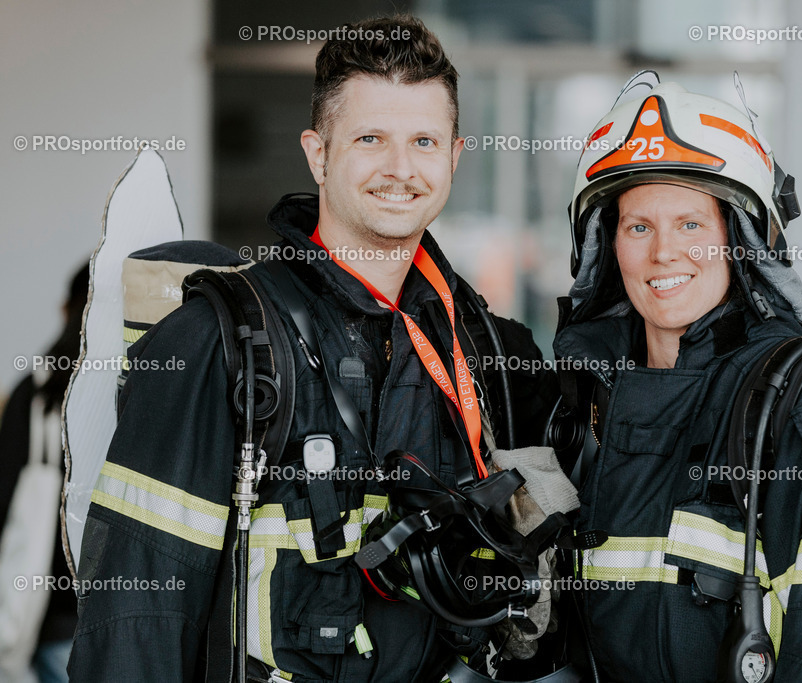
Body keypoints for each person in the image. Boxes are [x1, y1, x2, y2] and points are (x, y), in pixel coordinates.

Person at [68, 15, 558, 682]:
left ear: (454, 155)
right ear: (318, 152)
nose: (400, 168)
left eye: (423, 140)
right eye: (370, 138)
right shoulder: (218, 344)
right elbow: (136, 625)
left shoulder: (485, 354)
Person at [552, 74, 802, 681]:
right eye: (638, 227)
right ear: (606, 246)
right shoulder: (577, 407)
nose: (663, 254)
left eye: (691, 225)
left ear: (743, 242)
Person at [0, 264, 87, 683]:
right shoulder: (136, 386)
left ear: (66, 309)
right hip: (130, 619)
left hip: (53, 618)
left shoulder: (37, 394)